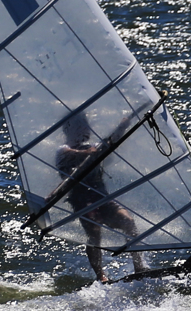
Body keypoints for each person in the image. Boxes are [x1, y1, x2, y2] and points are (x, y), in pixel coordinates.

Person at [56, 113, 147, 282]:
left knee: (129, 222)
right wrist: (87, 153)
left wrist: (123, 126)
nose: (86, 130)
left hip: (102, 197)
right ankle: (101, 276)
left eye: (86, 126)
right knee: (94, 235)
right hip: (82, 200)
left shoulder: (94, 148)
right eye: (81, 127)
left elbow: (111, 141)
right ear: (69, 131)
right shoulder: (62, 150)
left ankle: (139, 267)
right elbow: (69, 153)